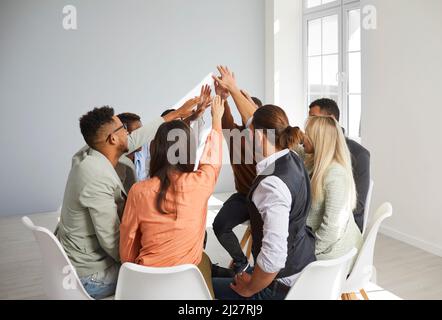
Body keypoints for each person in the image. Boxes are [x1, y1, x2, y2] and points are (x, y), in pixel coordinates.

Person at [55, 103, 196, 299]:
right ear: (113, 138)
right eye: (123, 129)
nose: (128, 133)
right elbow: (112, 241)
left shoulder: (91, 154)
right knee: (163, 274)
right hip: (91, 276)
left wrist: (177, 114)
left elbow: (136, 138)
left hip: (83, 256)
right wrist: (150, 261)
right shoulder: (95, 176)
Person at [119, 95, 225, 298]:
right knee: (204, 260)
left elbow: (128, 250)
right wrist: (217, 120)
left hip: (146, 283)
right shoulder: (200, 183)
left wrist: (137, 272)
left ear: (154, 149)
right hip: (186, 285)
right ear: (189, 152)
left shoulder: (138, 191)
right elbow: (213, 159)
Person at [211, 105, 316, 299]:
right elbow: (254, 120)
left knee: (204, 288)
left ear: (258, 137)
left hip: (279, 285)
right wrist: (232, 91)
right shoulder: (293, 158)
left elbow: (274, 257)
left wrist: (250, 288)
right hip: (304, 268)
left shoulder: (272, 185)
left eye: (248, 133)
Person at [211, 69, 263, 274]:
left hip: (264, 198)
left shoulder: (268, 141)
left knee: (262, 243)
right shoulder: (236, 136)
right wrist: (223, 97)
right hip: (243, 197)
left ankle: (262, 274)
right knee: (220, 225)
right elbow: (224, 122)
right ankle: (242, 263)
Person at [303, 116, 363, 264]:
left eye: (307, 134)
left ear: (318, 140)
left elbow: (332, 230)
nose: (303, 137)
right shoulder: (312, 161)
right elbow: (286, 146)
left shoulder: (335, 175)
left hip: (333, 254)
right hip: (316, 242)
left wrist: (305, 253)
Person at [309, 98, 370, 232]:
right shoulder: (314, 148)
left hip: (342, 228)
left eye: (313, 118)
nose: (309, 124)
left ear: (330, 119)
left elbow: (357, 206)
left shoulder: (359, 155)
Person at [116, 113, 149, 192]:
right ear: (124, 134)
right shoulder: (115, 164)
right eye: (136, 134)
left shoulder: (144, 152)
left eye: (142, 132)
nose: (141, 137)